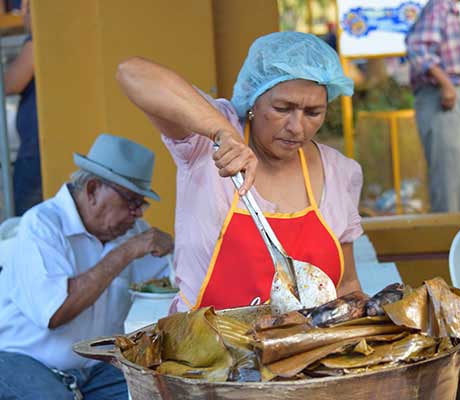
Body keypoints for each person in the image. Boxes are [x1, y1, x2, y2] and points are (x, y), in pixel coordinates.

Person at [116, 31, 363, 312]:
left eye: (313, 113)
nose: (297, 127)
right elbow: (132, 73)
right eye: (283, 108)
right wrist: (222, 132)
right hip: (209, 347)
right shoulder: (205, 141)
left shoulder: (339, 172)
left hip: (305, 350)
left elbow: (346, 286)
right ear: (253, 102)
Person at [0, 134, 174, 399]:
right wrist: (125, 253)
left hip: (95, 367)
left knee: (158, 391)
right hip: (24, 359)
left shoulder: (131, 230)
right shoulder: (41, 226)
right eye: (131, 201)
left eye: (142, 204)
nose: (139, 213)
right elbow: (56, 312)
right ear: (92, 189)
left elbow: (173, 277)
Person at [406, 0, 460, 212]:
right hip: (441, 96)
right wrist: (445, 83)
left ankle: (457, 240)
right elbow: (417, 48)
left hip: (457, 94)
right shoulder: (440, 5)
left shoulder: (453, 8)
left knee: (458, 178)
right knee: (448, 182)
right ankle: (446, 242)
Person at [4, 0, 43, 215]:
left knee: (26, 222)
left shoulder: (39, 38)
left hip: (35, 151)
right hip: (38, 146)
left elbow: (10, 84)